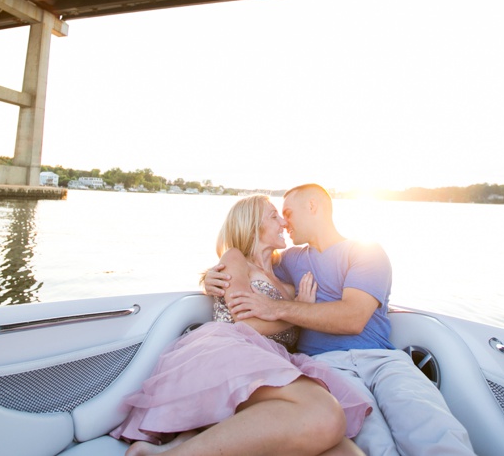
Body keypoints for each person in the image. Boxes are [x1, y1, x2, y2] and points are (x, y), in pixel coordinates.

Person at [203, 184, 475, 456]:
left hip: (382, 360)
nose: (284, 222)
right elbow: (249, 265)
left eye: (288, 212)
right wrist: (212, 278)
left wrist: (279, 309)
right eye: (279, 216)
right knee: (372, 441)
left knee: (429, 424)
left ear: (312, 207)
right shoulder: (287, 260)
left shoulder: (365, 251)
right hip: (324, 367)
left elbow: (352, 318)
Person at [110, 194, 370, 456]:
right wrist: (296, 311)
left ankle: (181, 443)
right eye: (273, 216)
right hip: (229, 355)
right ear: (252, 225)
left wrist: (300, 307)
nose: (283, 222)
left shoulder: (288, 281)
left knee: (346, 450)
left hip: (271, 365)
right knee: (324, 414)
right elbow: (248, 324)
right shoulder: (236, 259)